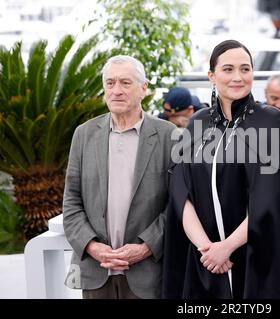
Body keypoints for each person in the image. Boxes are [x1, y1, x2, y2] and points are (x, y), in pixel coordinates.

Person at [163, 39, 280, 299]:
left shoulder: (269, 120)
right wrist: (206, 248)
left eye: (245, 69)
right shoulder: (199, 122)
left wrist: (227, 247)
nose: (238, 77)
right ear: (212, 75)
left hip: (257, 259)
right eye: (228, 69)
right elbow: (179, 189)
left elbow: (270, 198)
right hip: (205, 260)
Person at [63, 55, 176, 299]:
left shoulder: (169, 135)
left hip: (148, 274)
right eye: (110, 83)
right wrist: (92, 247)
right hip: (96, 272)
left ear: (143, 88)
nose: (117, 91)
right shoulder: (84, 135)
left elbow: (178, 204)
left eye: (125, 83)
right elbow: (71, 202)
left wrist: (146, 247)